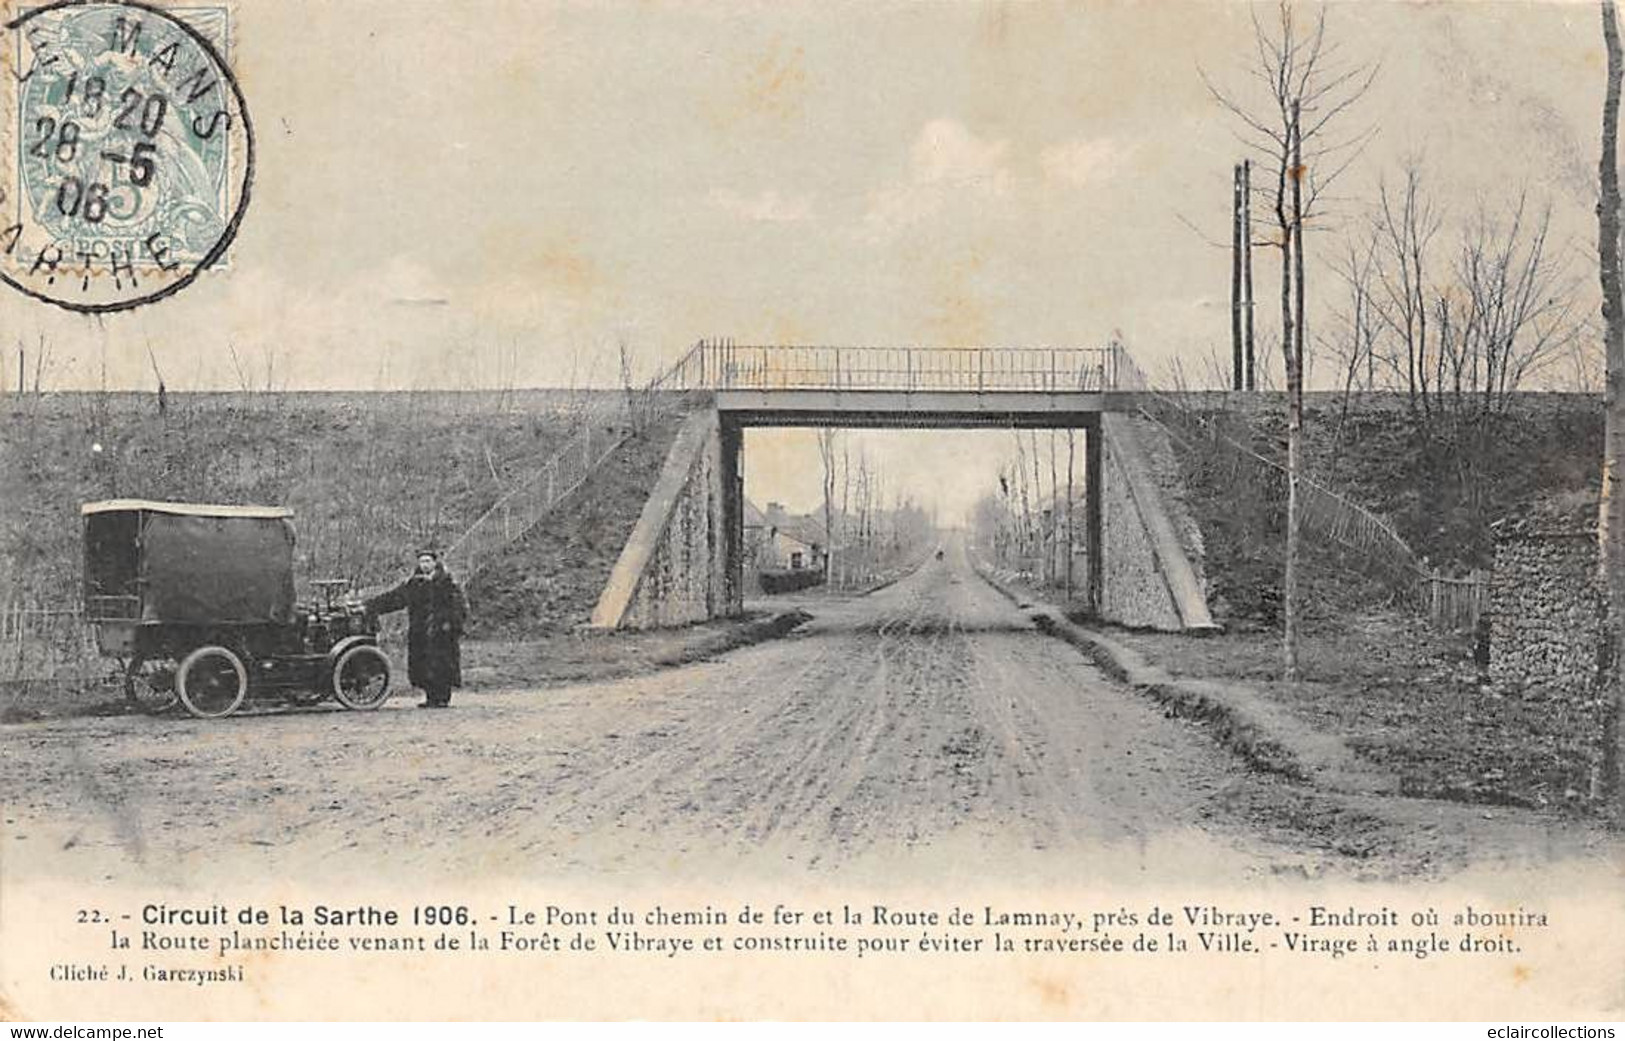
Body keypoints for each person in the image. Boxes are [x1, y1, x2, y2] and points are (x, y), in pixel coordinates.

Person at [366, 549, 467, 709]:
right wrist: (371, 605)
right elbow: (395, 598)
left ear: (435, 563)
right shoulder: (414, 583)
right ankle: (430, 696)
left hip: (442, 632)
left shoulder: (448, 582)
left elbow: (459, 606)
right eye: (422, 561)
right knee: (423, 663)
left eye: (428, 561)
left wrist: (452, 625)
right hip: (420, 631)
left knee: (442, 663)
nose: (424, 565)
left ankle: (442, 697)